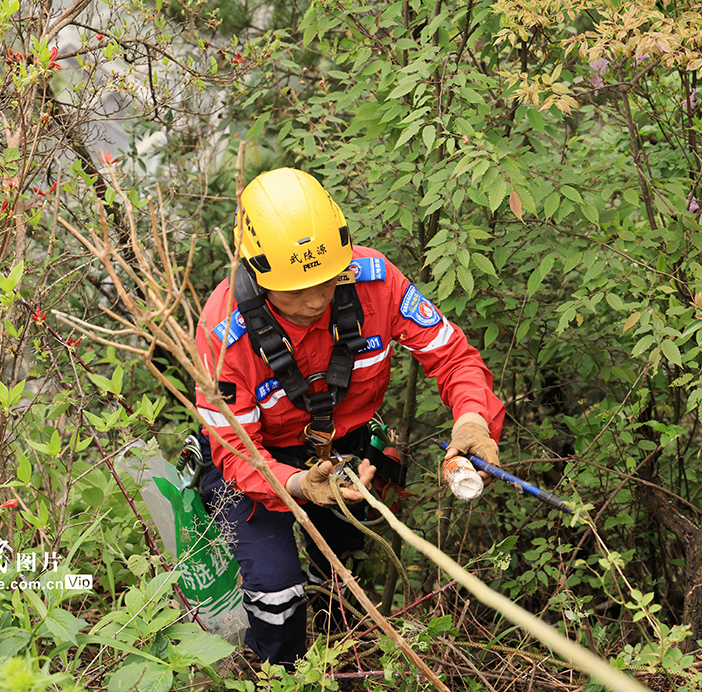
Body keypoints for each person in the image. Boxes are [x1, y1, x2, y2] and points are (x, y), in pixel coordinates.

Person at [194, 167, 505, 664]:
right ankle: (279, 671)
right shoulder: (223, 334)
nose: (316, 301)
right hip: (256, 460)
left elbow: (452, 356)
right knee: (277, 593)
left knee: (345, 571)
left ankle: (342, 656)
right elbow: (235, 454)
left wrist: (472, 419)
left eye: (324, 281)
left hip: (343, 449)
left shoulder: (374, 281)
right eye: (295, 290)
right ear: (255, 271)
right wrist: (298, 485)